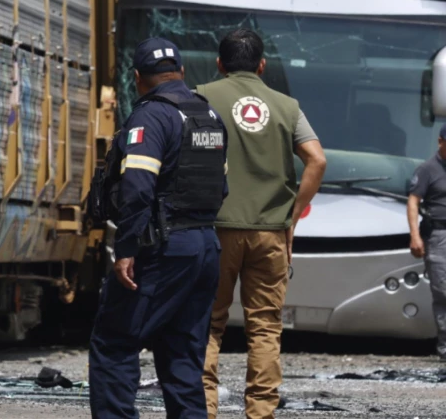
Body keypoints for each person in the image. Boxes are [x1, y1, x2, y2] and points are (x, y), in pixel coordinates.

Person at [88, 37, 229, 419]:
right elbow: (222, 187)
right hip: (204, 247)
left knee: (114, 343)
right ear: (181, 72)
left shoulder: (151, 115)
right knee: (183, 357)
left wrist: (127, 247)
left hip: (162, 247)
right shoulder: (209, 116)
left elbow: (137, 186)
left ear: (137, 78)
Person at [196, 29, 326, 419]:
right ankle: (260, 414)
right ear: (263, 65)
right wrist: (291, 213)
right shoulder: (287, 106)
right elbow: (317, 161)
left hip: (216, 228)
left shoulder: (202, 96)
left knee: (207, 325)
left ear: (220, 64)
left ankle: (204, 410)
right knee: (266, 327)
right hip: (270, 230)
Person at [407, 124, 446, 362]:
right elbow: (413, 202)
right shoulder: (427, 170)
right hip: (439, 237)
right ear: (441, 142)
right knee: (443, 291)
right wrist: (414, 235)